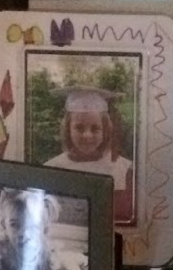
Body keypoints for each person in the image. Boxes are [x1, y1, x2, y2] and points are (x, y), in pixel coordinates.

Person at [42, 85, 135, 225]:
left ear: (105, 130)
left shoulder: (124, 170)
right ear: (68, 129)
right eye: (79, 128)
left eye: (95, 128)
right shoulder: (50, 169)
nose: (87, 135)